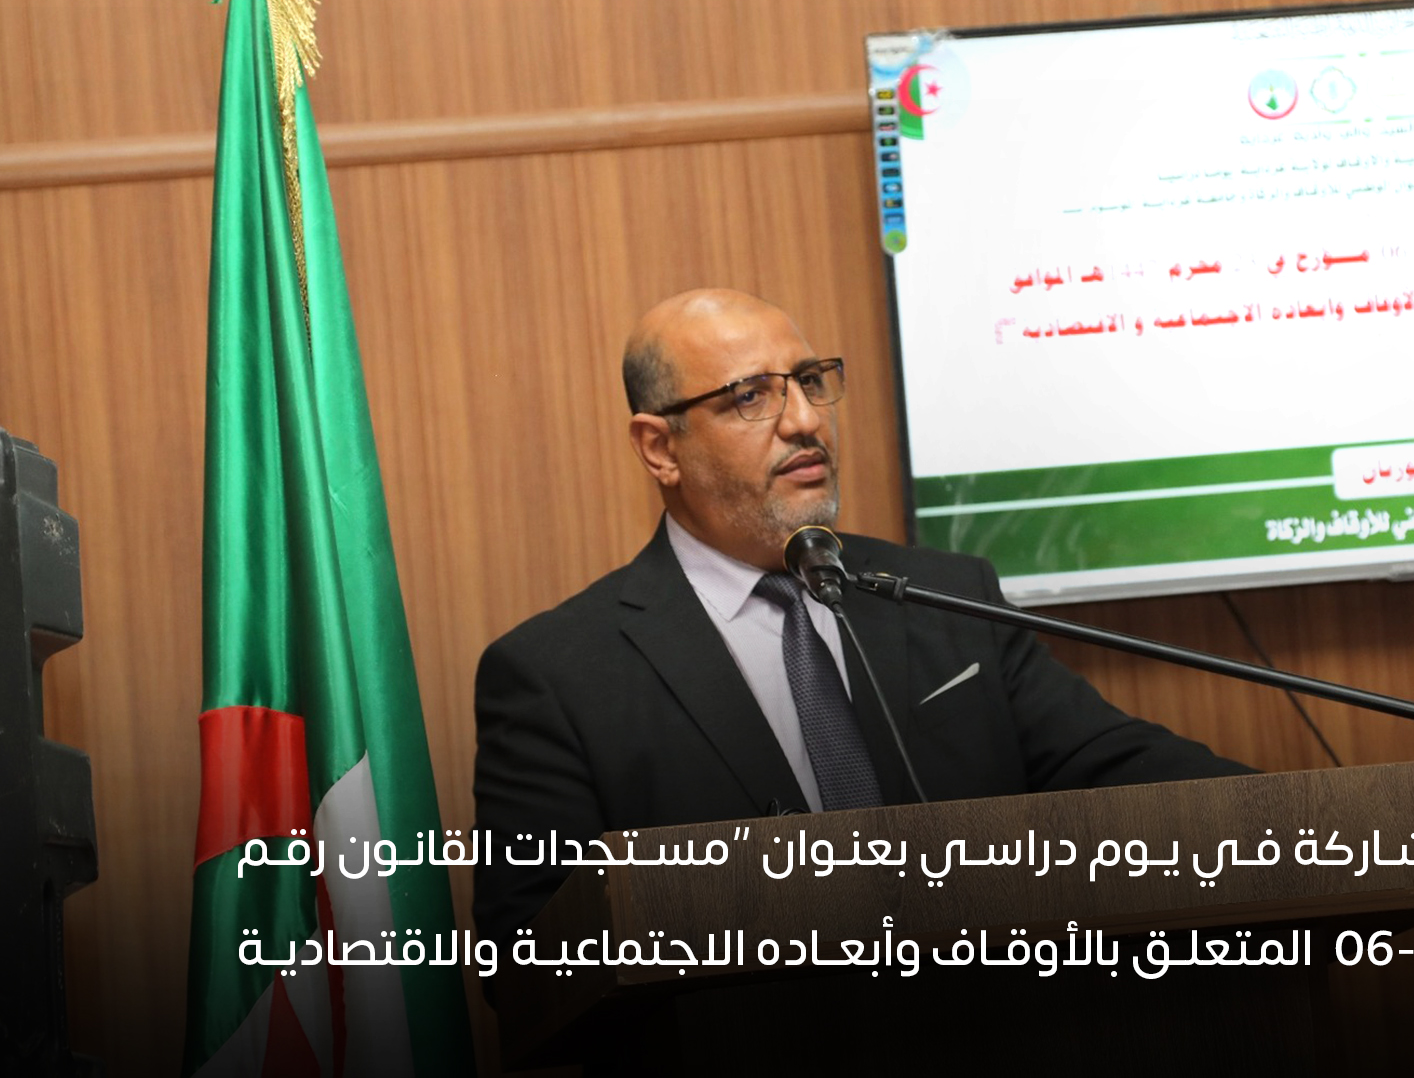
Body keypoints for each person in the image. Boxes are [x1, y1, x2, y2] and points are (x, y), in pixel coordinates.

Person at [472, 288, 1249, 947]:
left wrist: (1298, 824)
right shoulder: (559, 674)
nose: (805, 420)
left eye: (811, 382)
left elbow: (1118, 769)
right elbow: (525, 952)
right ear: (659, 448)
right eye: (751, 396)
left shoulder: (949, 596)